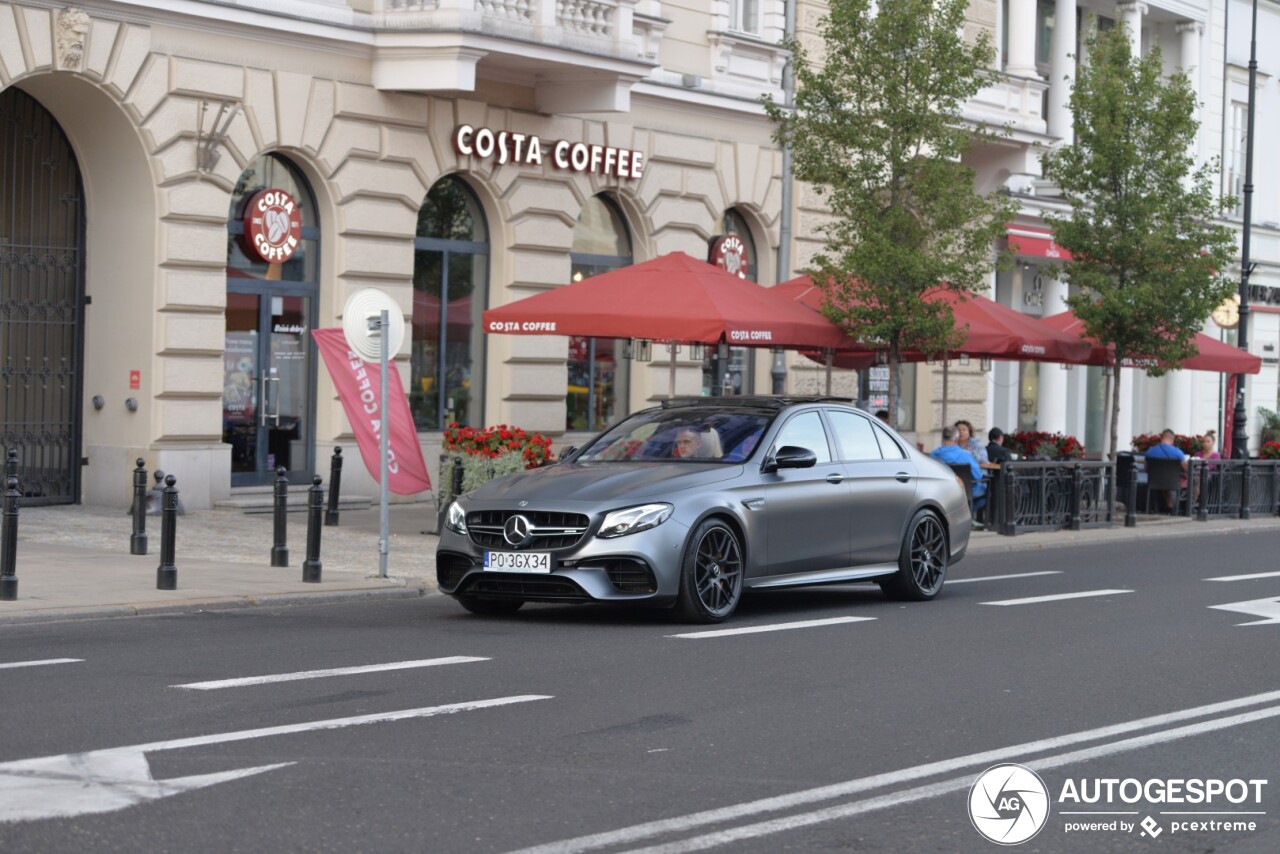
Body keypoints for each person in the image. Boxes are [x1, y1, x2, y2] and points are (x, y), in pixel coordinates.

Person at [930, 426, 986, 513]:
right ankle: (968, 516)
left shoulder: (933, 455)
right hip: (963, 492)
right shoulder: (965, 455)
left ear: (943, 437)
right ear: (957, 438)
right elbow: (978, 476)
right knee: (987, 492)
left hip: (941, 492)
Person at [1144, 428, 1188, 512]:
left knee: (1164, 485)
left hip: (1154, 481)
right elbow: (1185, 468)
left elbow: (1146, 469)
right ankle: (1182, 508)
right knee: (1190, 480)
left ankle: (1167, 507)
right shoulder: (1178, 453)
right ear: (1172, 440)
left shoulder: (1150, 451)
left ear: (1161, 438)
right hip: (1173, 481)